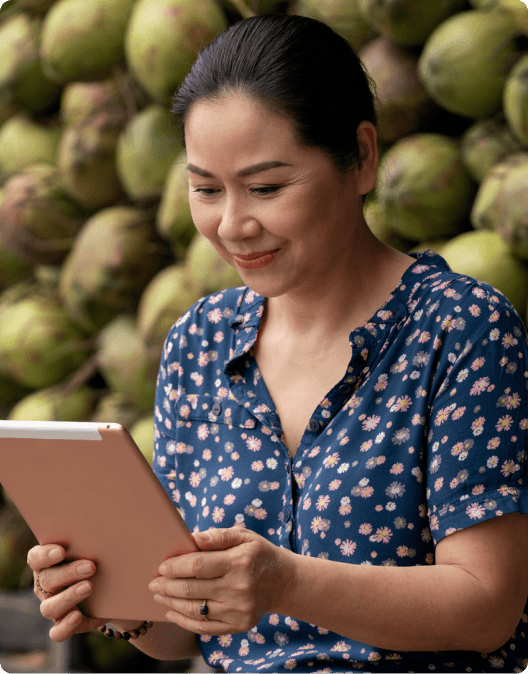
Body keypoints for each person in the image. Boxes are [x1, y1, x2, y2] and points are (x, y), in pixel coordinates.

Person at [27, 12, 528, 674]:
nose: (232, 224)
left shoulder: (461, 328)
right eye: (206, 189)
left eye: (266, 187)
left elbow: (486, 606)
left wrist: (286, 584)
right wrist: (115, 601)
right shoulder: (199, 345)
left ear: (363, 157)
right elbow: (183, 632)